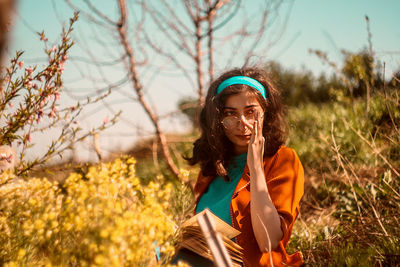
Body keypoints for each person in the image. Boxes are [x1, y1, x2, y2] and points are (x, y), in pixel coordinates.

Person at [187, 67, 304, 267]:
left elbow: (268, 241)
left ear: (265, 112)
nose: (243, 124)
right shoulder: (211, 170)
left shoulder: (283, 160)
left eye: (251, 112)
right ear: (219, 120)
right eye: (230, 114)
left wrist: (256, 167)